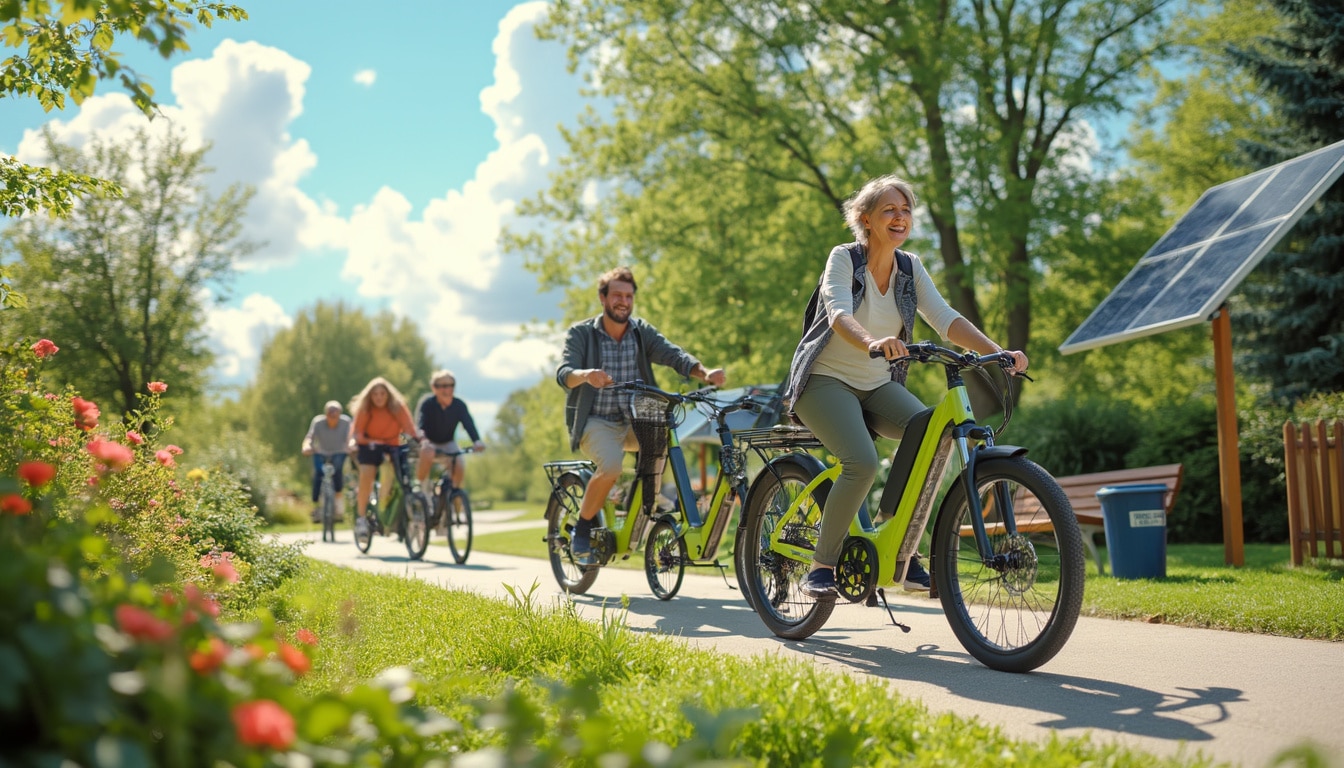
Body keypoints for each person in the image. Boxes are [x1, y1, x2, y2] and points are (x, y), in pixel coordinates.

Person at [783, 174, 1028, 599]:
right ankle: (822, 566)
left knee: (933, 437)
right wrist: (872, 342)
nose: (900, 217)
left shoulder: (910, 268)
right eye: (889, 210)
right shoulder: (844, 258)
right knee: (861, 461)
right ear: (866, 219)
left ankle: (902, 545)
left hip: (876, 385)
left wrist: (997, 351)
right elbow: (838, 312)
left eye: (906, 210)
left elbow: (945, 317)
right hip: (824, 382)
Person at [556, 265, 727, 563]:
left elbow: (673, 354)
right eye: (617, 295)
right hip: (598, 421)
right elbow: (564, 374)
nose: (623, 301)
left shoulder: (640, 332)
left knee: (670, 443)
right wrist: (586, 375)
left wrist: (705, 372)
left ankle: (648, 504)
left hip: (637, 418)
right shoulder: (582, 333)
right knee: (610, 467)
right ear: (603, 297)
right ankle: (583, 528)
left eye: (629, 296)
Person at [349, 376, 424, 537]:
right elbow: (358, 433)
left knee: (404, 477)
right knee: (367, 476)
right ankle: (361, 519)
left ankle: (400, 516)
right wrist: (369, 441)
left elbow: (410, 428)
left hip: (393, 443)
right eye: (375, 394)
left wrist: (419, 438)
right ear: (370, 395)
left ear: (388, 394)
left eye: (382, 393)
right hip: (369, 444)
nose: (379, 397)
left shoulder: (398, 406)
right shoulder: (365, 408)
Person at [415, 369, 486, 505]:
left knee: (459, 463)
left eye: (451, 385)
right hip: (429, 443)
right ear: (434, 388)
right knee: (427, 452)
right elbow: (420, 424)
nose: (448, 389)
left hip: (448, 442)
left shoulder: (459, 405)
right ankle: (421, 489)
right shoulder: (427, 404)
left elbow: (468, 424)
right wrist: (423, 440)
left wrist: (477, 441)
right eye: (444, 386)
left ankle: (452, 498)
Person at [300, 400, 353, 523]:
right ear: (326, 413)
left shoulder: (346, 422)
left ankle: (338, 506)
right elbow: (309, 437)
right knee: (318, 473)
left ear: (340, 413)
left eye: (336, 413)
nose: (333, 415)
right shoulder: (318, 422)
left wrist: (352, 446)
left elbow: (351, 437)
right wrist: (306, 446)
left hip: (340, 451)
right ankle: (316, 507)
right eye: (330, 412)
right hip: (321, 452)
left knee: (338, 470)